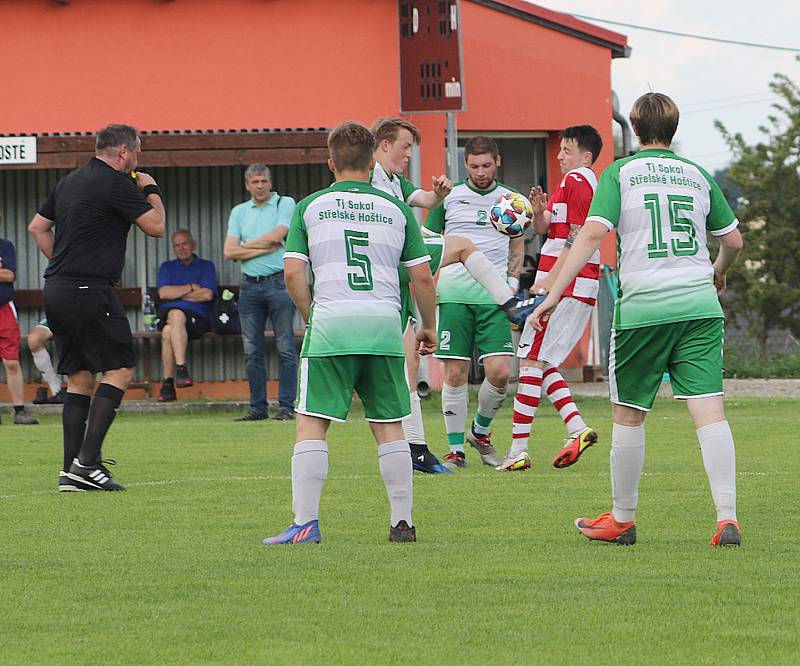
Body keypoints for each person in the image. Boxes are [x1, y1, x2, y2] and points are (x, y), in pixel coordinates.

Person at [530, 93, 744, 547]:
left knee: (628, 415)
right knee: (709, 411)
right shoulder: (698, 173)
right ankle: (727, 518)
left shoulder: (620, 173)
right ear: (674, 128)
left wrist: (552, 291)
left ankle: (622, 519)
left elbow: (590, 232)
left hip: (645, 307)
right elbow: (735, 241)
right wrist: (718, 273)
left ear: (634, 127)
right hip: (700, 306)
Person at [262, 121, 437, 545]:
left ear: (330, 162)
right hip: (382, 327)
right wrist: (429, 326)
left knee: (311, 424)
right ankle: (402, 522)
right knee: (389, 425)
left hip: (332, 326)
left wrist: (310, 313)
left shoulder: (308, 206)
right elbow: (423, 277)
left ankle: (305, 523)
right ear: (372, 159)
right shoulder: (395, 208)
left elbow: (292, 273)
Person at [370, 117, 524, 474]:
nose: (410, 154)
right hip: (400, 263)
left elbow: (421, 198)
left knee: (408, 367)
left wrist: (436, 194)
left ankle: (418, 449)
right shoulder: (369, 175)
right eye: (406, 146)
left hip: (397, 272)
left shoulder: (394, 178)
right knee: (464, 246)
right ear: (384, 144)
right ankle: (511, 303)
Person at [28, 123, 166, 491]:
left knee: (81, 377)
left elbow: (37, 228)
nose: (138, 159)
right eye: (137, 152)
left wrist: (64, 261)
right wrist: (149, 187)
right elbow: (156, 226)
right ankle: (87, 464)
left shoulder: (69, 181)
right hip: (90, 289)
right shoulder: (117, 183)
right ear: (123, 153)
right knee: (119, 369)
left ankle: (68, 472)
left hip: (56, 287)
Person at [498, 126, 602, 472]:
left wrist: (549, 286)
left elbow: (579, 235)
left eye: (567, 150)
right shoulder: (568, 184)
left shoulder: (579, 180)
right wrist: (541, 212)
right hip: (571, 284)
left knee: (529, 360)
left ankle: (518, 451)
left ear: (586, 157)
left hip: (566, 285)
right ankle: (577, 429)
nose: (559, 155)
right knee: (543, 363)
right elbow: (550, 231)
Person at [423, 136, 525, 468]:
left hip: (494, 298)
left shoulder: (511, 200)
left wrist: (510, 285)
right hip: (453, 294)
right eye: (474, 166)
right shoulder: (449, 197)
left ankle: (479, 432)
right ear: (465, 164)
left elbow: (518, 246)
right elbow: (430, 245)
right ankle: (456, 450)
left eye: (487, 165)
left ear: (498, 161)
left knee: (499, 372)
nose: (481, 172)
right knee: (454, 372)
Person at [225, 165, 298, 421]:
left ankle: (287, 407)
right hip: (249, 285)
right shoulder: (239, 212)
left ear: (270, 182)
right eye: (255, 181)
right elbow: (229, 252)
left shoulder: (285, 204)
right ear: (247, 185)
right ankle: (258, 408)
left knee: (286, 346)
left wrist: (246, 246)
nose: (260, 186)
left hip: (278, 282)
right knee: (251, 349)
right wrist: (265, 247)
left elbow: (279, 235)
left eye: (264, 181)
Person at [155, 229, 217, 402]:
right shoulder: (167, 267)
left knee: (172, 321)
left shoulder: (206, 266)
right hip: (173, 318)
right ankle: (180, 371)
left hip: (198, 320)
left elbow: (207, 295)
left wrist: (178, 293)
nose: (181, 248)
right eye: (177, 245)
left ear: (193, 244)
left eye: (185, 243)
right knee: (172, 323)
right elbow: (164, 293)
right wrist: (191, 287)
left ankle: (168, 384)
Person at [0, 229, 38, 425]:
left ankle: (20, 411)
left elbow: (9, 275)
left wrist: (4, 273)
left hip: (4, 310)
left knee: (12, 362)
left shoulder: (5, 246)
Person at [28, 320, 65, 404]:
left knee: (74, 337)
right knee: (34, 340)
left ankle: (76, 392)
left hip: (83, 315)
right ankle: (56, 390)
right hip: (59, 314)